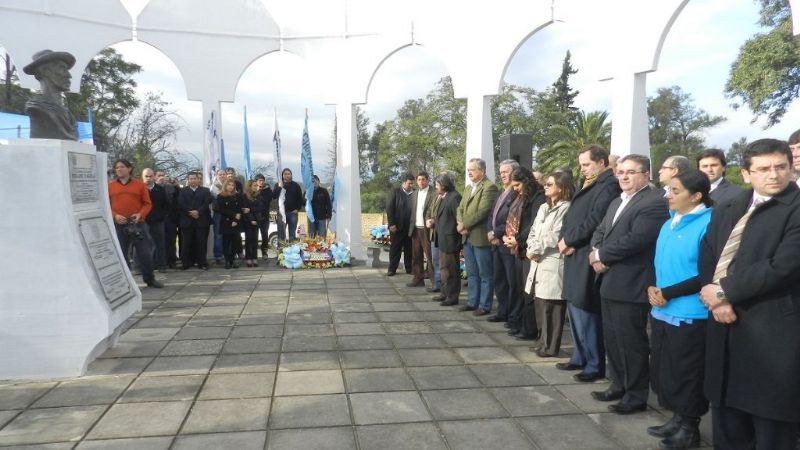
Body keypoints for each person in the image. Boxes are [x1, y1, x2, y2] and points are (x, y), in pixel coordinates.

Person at [698, 139, 800, 450]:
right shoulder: (730, 207)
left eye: (781, 167)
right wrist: (714, 299)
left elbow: (784, 266)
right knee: (728, 426)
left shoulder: (795, 208)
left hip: (772, 333)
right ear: (745, 173)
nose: (774, 175)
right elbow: (709, 253)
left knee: (771, 429)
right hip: (725, 330)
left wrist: (725, 292)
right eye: (764, 168)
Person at [589, 154, 669, 414]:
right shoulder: (616, 201)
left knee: (631, 342)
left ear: (646, 175)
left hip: (632, 282)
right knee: (612, 338)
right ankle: (618, 384)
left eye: (631, 172)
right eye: (620, 172)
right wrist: (596, 252)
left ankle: (636, 395)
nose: (623, 176)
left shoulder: (654, 202)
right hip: (609, 280)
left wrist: (601, 256)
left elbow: (637, 239)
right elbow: (600, 231)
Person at [645, 169, 712, 449]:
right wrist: (652, 287)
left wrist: (668, 293)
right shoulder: (669, 222)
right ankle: (676, 417)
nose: (668, 196)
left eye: (675, 191)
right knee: (666, 369)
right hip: (662, 308)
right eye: (667, 190)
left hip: (689, 310)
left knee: (687, 372)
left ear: (696, 196)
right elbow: (659, 262)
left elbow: (704, 272)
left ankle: (690, 427)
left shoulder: (708, 223)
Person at [557, 145, 620, 382]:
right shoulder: (589, 182)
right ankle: (579, 356)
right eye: (581, 165)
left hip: (584, 251)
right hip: (572, 250)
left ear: (602, 162)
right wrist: (563, 239)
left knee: (585, 309)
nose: (582, 169)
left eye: (586, 164)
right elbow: (572, 215)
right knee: (574, 307)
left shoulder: (608, 185)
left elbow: (596, 219)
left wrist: (571, 239)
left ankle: (594, 363)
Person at [523, 171, 573, 355]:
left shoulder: (566, 208)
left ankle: (551, 346)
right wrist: (530, 247)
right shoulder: (544, 207)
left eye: (550, 184)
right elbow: (534, 230)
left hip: (552, 260)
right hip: (537, 259)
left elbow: (555, 235)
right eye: (546, 184)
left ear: (562, 188)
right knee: (540, 303)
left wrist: (535, 249)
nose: (546, 186)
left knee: (552, 306)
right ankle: (542, 340)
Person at [503, 166, 545, 338]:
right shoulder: (522, 196)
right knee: (519, 288)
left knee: (529, 292)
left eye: (517, 185)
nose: (515, 189)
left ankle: (530, 329)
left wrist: (518, 239)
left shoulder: (538, 197)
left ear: (526, 181)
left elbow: (534, 224)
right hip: (518, 247)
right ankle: (520, 323)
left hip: (528, 248)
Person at [107, 159, 162, 288]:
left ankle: (150, 279)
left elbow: (147, 203)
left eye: (122, 167)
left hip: (138, 224)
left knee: (145, 253)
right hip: (119, 224)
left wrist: (140, 215)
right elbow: (106, 205)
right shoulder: (110, 186)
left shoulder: (139, 185)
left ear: (129, 169)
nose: (119, 169)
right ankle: (126, 282)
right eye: (117, 168)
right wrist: (115, 216)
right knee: (121, 253)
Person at [457, 158, 499, 315]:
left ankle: (484, 305)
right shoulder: (468, 188)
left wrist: (464, 225)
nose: (469, 173)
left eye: (472, 170)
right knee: (472, 273)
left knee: (485, 274)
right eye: (468, 170)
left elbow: (483, 211)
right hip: (466, 237)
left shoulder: (489, 187)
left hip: (480, 238)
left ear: (482, 171)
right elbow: (460, 208)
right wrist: (460, 223)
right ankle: (472, 302)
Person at [486, 160, 519, 321]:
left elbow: (509, 220)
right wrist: (489, 232)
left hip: (506, 244)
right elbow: (492, 215)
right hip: (495, 244)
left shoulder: (516, 193)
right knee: (499, 280)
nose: (503, 175)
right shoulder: (501, 192)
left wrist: (496, 233)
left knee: (511, 281)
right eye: (501, 172)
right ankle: (502, 311)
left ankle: (512, 315)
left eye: (506, 171)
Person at [22, 49, 78, 140]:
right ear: (46, 71)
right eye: (62, 69)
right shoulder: (37, 108)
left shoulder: (68, 114)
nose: (69, 75)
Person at [428, 172, 462, 306]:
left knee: (451, 269)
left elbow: (458, 219)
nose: (436, 187)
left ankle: (452, 296)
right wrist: (433, 222)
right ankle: (444, 293)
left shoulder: (454, 197)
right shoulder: (443, 197)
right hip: (441, 238)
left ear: (444, 184)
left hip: (451, 239)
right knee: (443, 268)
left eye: (438, 184)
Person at [178, 171, 213, 270]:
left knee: (201, 242)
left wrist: (198, 212)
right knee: (186, 243)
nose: (193, 180)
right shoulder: (182, 191)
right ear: (188, 180)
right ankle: (186, 263)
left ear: (198, 179)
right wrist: (190, 212)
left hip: (201, 220)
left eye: (195, 178)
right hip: (187, 221)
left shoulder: (205, 191)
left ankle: (202, 262)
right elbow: (181, 203)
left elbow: (206, 203)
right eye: (191, 179)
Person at [407, 171, 435, 288]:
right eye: (419, 180)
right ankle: (418, 278)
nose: (421, 182)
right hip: (415, 228)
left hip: (427, 229)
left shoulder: (434, 193)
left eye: (423, 179)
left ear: (428, 180)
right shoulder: (413, 194)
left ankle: (435, 282)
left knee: (430, 256)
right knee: (416, 255)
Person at [386, 173, 414, 276]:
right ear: (403, 182)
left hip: (410, 227)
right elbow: (389, 208)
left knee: (409, 249)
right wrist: (391, 224)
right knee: (395, 248)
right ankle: (392, 269)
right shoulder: (395, 192)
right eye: (409, 183)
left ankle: (409, 268)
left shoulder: (414, 193)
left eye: (412, 184)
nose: (411, 185)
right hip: (397, 227)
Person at [214, 180, 245, 269]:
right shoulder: (220, 196)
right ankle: (227, 260)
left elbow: (239, 208)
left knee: (235, 242)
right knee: (226, 242)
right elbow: (222, 209)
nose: (231, 187)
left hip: (236, 222)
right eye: (229, 185)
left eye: (232, 185)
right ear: (225, 186)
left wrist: (236, 219)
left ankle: (233, 260)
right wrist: (233, 216)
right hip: (226, 222)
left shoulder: (238, 196)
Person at [142, 168, 168, 273]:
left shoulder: (160, 189)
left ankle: (161, 265)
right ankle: (142, 266)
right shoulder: (139, 189)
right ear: (142, 177)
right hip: (142, 221)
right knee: (142, 244)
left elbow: (166, 205)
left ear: (154, 176)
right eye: (146, 176)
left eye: (150, 176)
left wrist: (161, 216)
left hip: (157, 221)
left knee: (159, 244)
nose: (148, 178)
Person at [273, 168, 303, 242]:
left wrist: (297, 209)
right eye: (285, 174)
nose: (287, 175)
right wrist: (280, 187)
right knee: (281, 234)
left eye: (288, 174)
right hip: (281, 213)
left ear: (291, 175)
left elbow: (300, 199)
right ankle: (281, 252)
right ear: (282, 175)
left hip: (293, 213)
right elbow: (274, 196)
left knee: (292, 235)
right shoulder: (278, 184)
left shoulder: (296, 186)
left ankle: (292, 252)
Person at [253, 174, 273, 260]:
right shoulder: (253, 190)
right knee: (254, 236)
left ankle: (264, 252)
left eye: (262, 180)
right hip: (254, 217)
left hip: (264, 216)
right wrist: (257, 192)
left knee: (264, 235)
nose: (261, 182)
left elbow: (267, 200)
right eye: (259, 181)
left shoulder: (267, 190)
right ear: (256, 182)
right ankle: (253, 253)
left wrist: (260, 192)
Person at [242, 180, 262, 267]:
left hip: (257, 220)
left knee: (255, 240)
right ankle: (248, 258)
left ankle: (255, 257)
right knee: (248, 240)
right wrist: (251, 219)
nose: (256, 187)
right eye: (254, 185)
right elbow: (244, 210)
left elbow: (260, 207)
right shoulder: (244, 196)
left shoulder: (258, 196)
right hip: (248, 221)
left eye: (256, 185)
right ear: (249, 186)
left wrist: (250, 209)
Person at [210, 169, 227, 264]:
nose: (222, 176)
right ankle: (218, 256)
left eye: (223, 174)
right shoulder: (214, 186)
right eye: (220, 174)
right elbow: (221, 196)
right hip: (219, 213)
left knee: (227, 235)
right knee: (218, 235)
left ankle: (227, 254)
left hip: (228, 213)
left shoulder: (230, 184)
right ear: (216, 175)